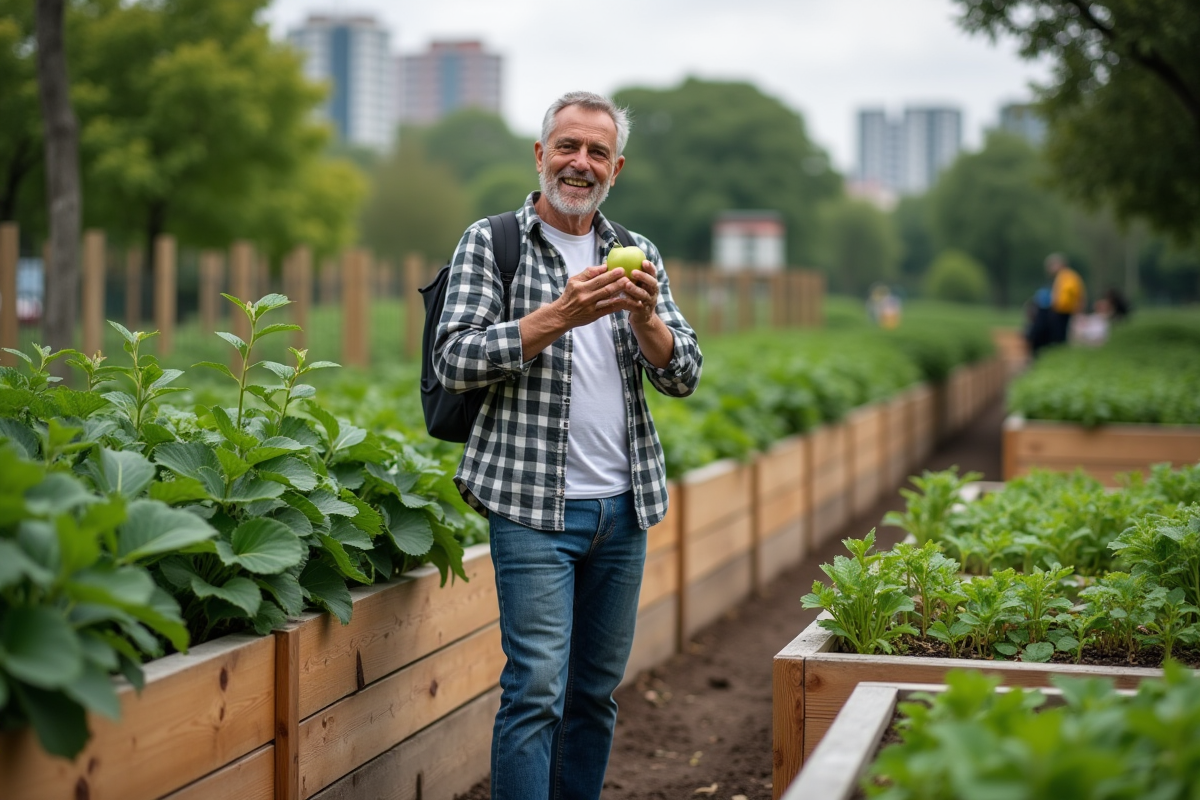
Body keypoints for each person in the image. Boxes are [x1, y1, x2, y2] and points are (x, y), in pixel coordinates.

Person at [433, 91, 702, 800]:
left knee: (594, 693)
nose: (580, 163)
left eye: (596, 152)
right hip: (529, 509)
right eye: (568, 147)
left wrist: (646, 318)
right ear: (541, 154)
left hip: (622, 508)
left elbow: (684, 373)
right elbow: (452, 359)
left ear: (617, 166)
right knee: (535, 692)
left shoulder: (637, 256)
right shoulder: (493, 243)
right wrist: (558, 316)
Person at [1044, 253, 1085, 346]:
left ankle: (1059, 348)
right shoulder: (1069, 276)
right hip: (1064, 309)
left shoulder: (1066, 277)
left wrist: (1079, 307)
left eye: (1052, 265)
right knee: (1061, 332)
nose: (1050, 269)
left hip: (1063, 309)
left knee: (1060, 333)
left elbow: (1076, 294)